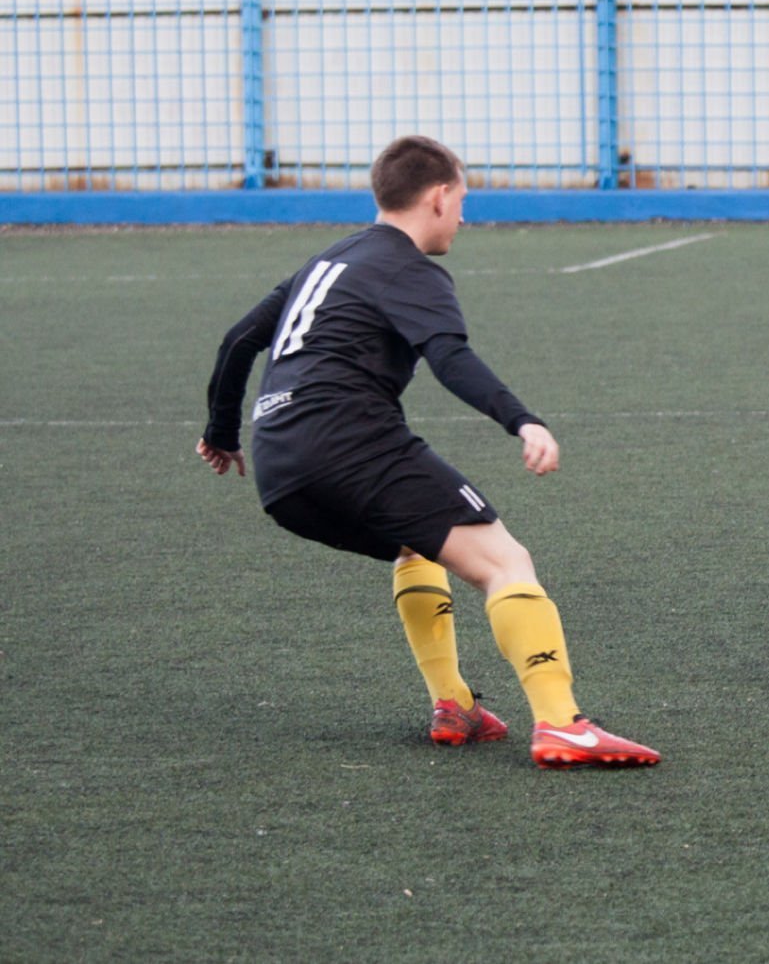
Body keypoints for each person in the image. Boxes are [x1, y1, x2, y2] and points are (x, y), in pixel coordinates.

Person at [197, 135, 659, 768]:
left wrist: (222, 433)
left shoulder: (326, 263)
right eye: (462, 201)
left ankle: (454, 705)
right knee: (505, 562)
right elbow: (449, 357)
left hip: (280, 471)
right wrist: (522, 421)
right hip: (352, 444)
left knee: (415, 543)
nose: (464, 217)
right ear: (439, 197)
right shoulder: (409, 269)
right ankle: (561, 723)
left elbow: (238, 340)